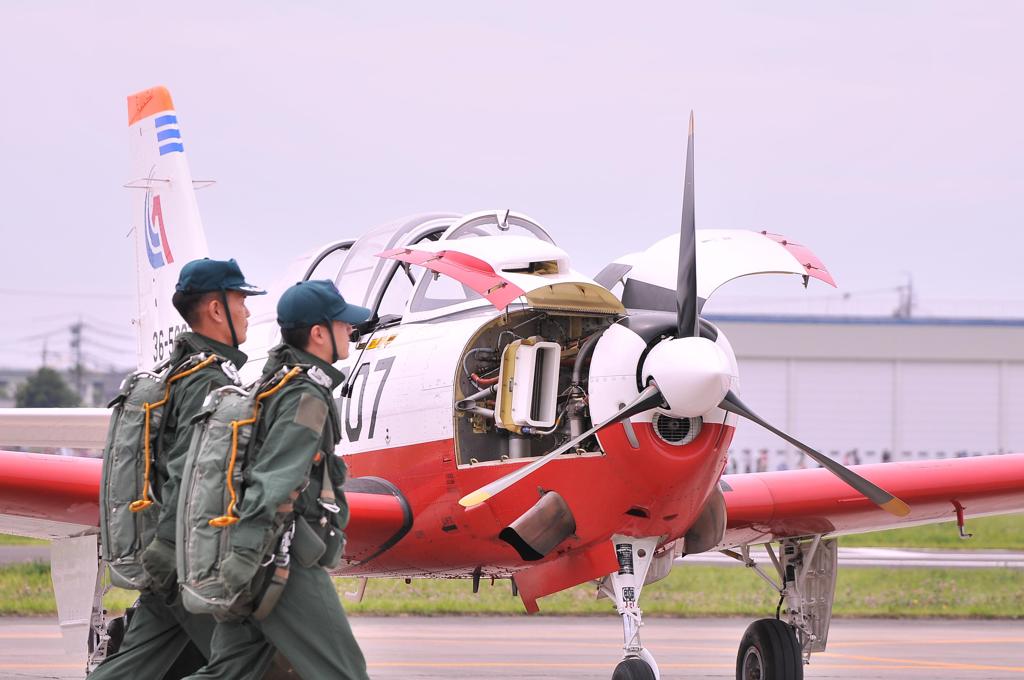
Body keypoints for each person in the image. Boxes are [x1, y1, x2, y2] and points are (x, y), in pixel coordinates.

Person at [185, 279, 371, 680]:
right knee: (345, 672)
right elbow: (276, 480)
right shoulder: (305, 395)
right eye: (342, 324)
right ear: (318, 333)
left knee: (231, 673)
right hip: (282, 562)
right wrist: (248, 559)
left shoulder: (278, 382)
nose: (350, 331)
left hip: (257, 556)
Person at [91, 258, 266, 679]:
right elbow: (190, 475)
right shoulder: (206, 382)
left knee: (136, 666)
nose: (248, 311)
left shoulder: (179, 372)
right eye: (241, 299)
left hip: (170, 557)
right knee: (251, 661)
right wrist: (173, 554)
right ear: (216, 309)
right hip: (186, 562)